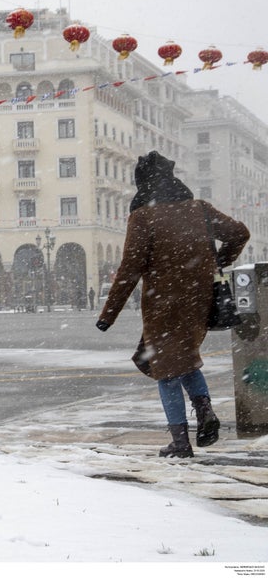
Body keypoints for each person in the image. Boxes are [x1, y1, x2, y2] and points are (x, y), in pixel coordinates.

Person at [96, 151, 249, 459]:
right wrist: (218, 261)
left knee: (165, 371)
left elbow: (130, 269)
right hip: (198, 298)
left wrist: (108, 314)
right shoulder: (199, 208)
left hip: (163, 304)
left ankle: (180, 442)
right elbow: (239, 234)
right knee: (185, 358)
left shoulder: (143, 216)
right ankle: (204, 410)